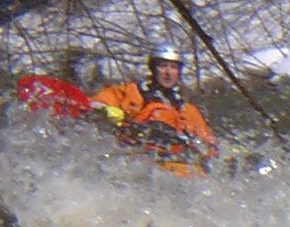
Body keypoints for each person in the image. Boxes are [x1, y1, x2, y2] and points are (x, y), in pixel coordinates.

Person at [90, 48, 219, 177]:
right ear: (153, 69)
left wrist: (209, 153)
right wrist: (106, 111)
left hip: (171, 165)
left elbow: (208, 143)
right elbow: (98, 103)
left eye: (173, 67)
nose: (168, 72)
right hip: (133, 155)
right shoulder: (132, 91)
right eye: (163, 66)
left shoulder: (188, 110)